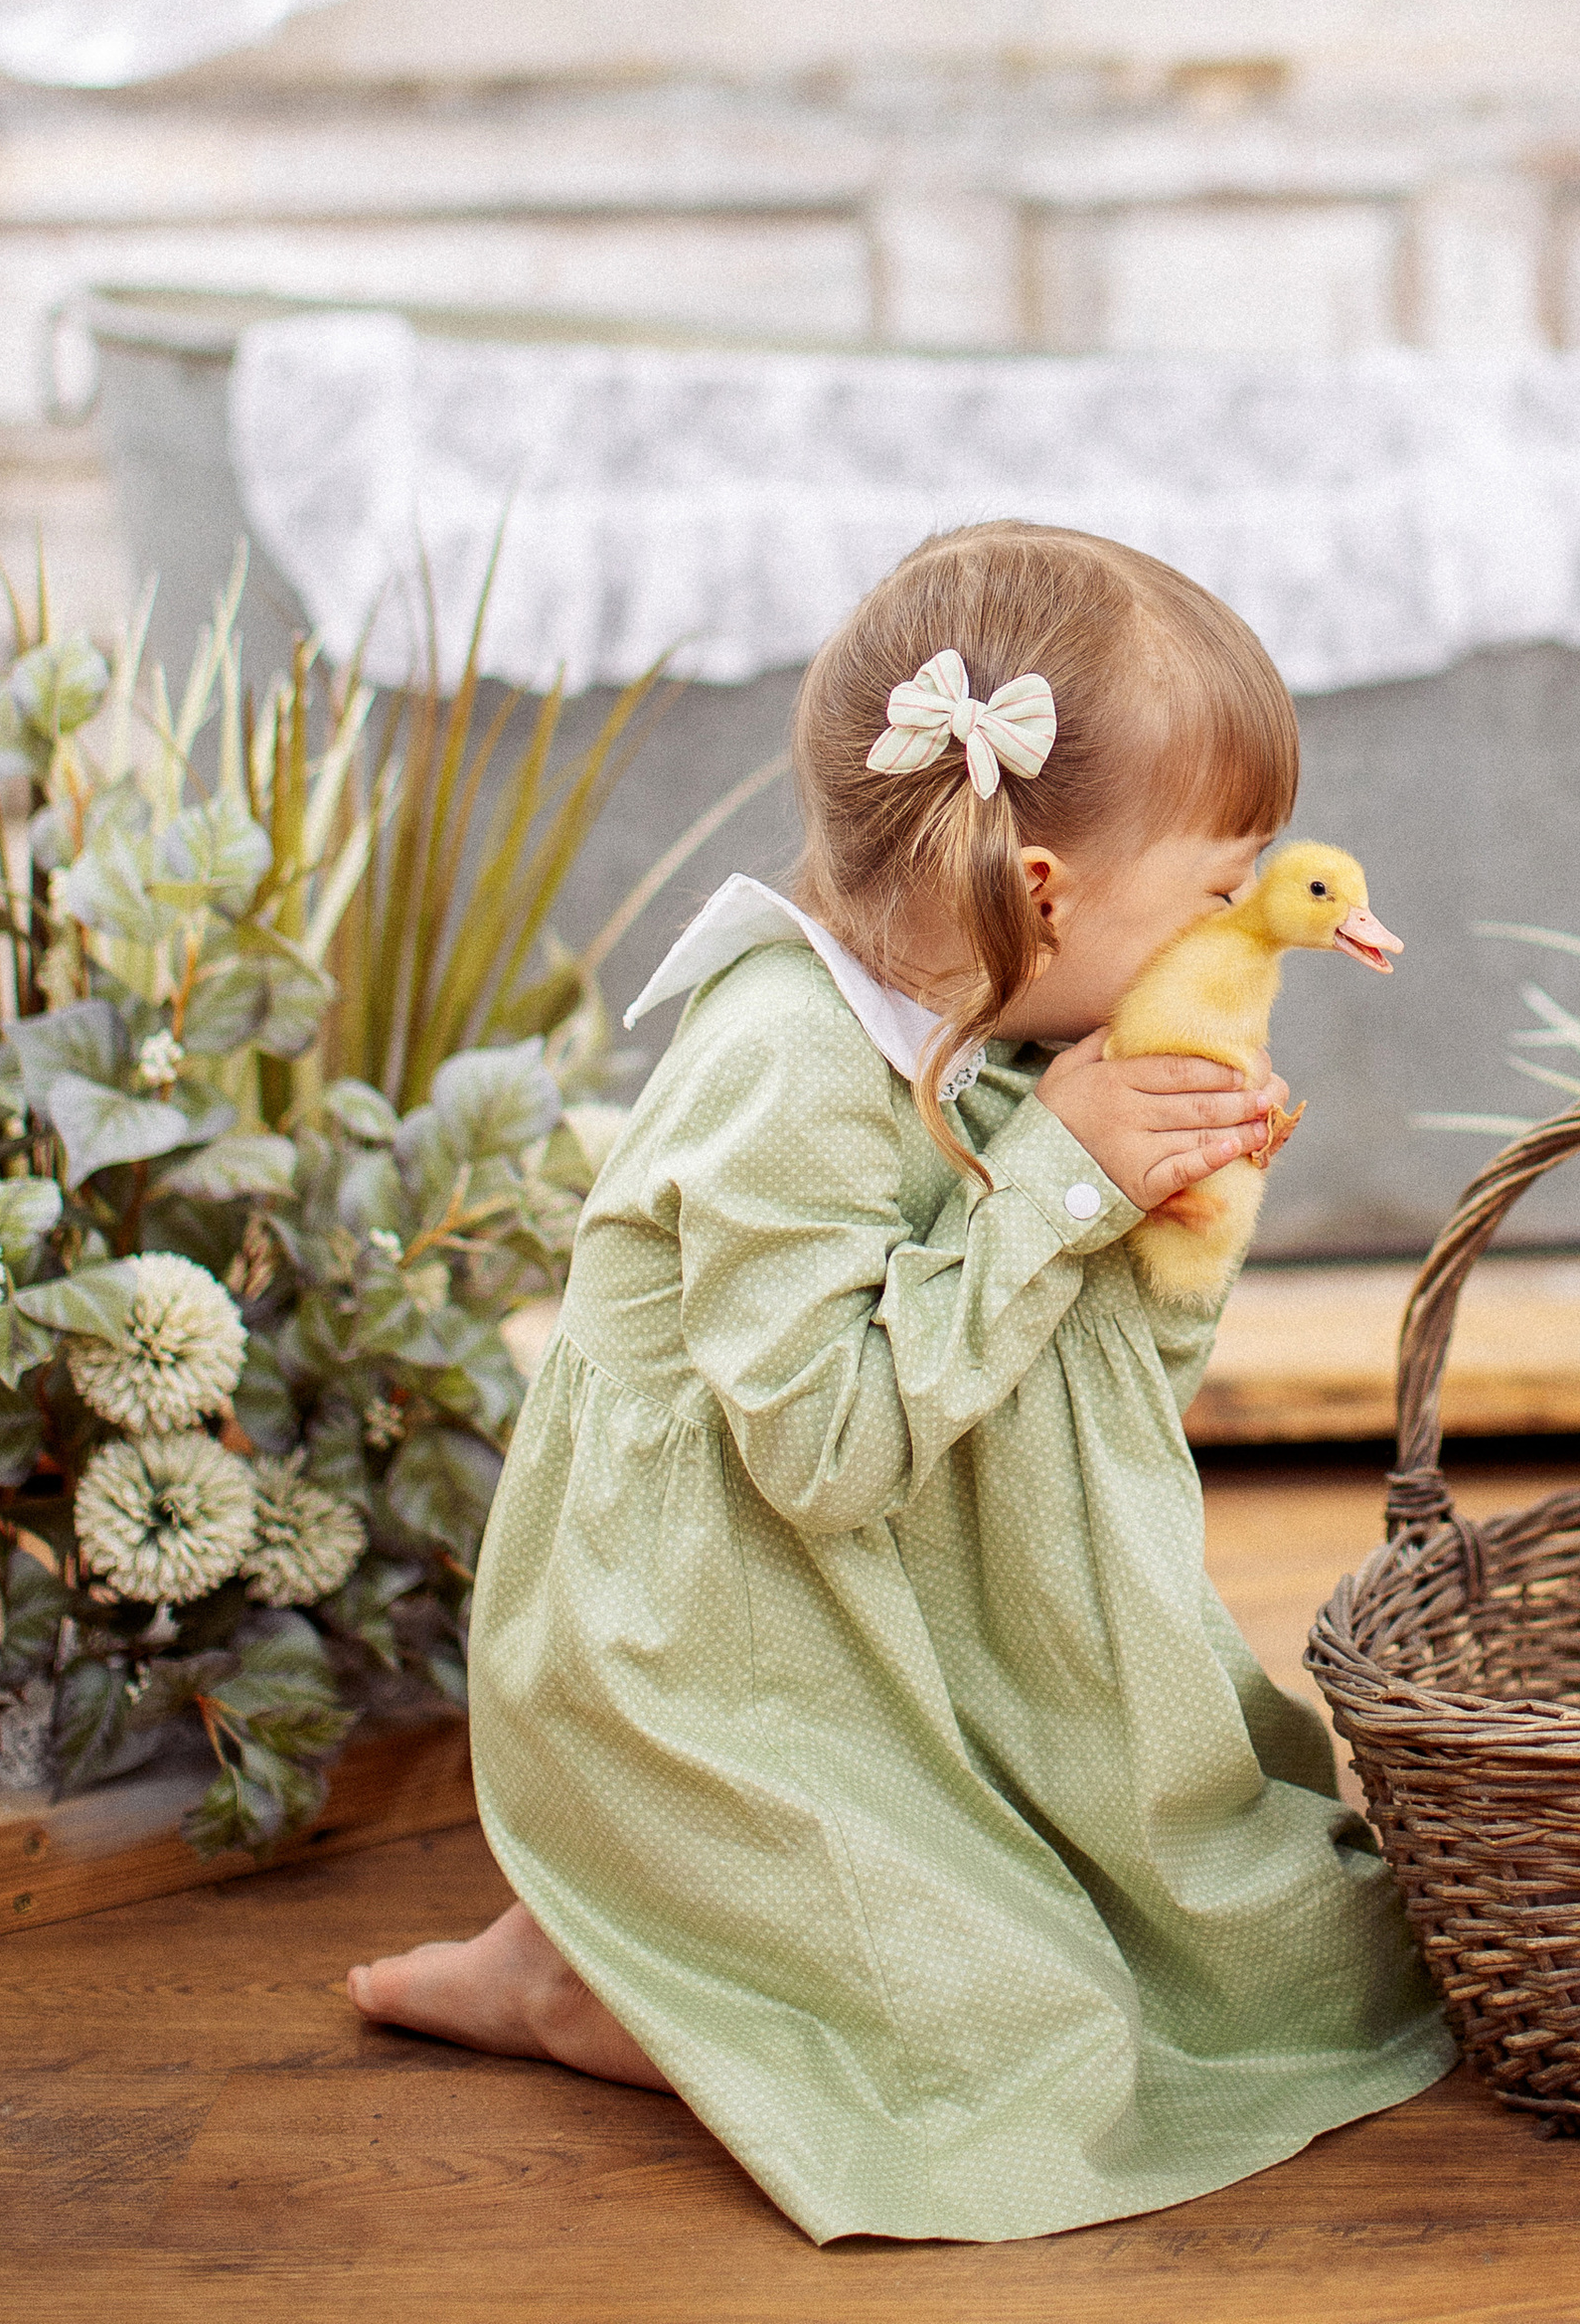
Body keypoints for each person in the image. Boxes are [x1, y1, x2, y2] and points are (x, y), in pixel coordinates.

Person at [347, 520, 1451, 2241]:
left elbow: (1101, 1395)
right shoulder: (783, 1070)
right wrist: (1065, 1183)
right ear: (1043, 898)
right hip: (719, 1658)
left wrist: (1174, 1212)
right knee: (1020, 2044)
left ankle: (623, 1936)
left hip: (915, 1628)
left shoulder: (1016, 1041)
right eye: (1220, 889)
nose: (1240, 923)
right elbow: (834, 1455)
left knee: (1319, 1936)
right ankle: (596, 1973)